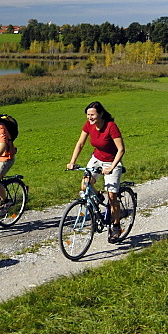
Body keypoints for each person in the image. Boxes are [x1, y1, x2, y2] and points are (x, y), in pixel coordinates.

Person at [66, 101, 126, 242]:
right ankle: (98, 196)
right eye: (88, 115)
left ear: (101, 114)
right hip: (97, 158)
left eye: (92, 115)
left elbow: (121, 149)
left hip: (112, 161)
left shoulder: (111, 127)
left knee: (112, 197)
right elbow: (80, 143)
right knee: (85, 184)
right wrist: (72, 161)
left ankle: (116, 225)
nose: (89, 118)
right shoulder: (89, 125)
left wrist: (111, 168)